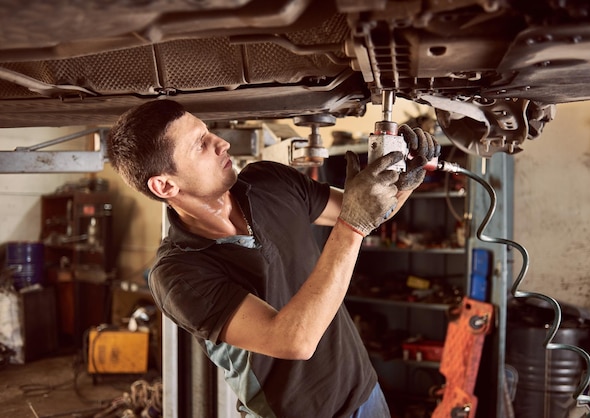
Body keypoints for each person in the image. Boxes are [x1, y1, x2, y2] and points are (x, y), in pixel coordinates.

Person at [106, 99, 438, 418]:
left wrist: (403, 177)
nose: (221, 143)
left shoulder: (270, 181)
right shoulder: (177, 274)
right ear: (165, 186)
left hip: (365, 394)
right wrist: (353, 226)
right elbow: (294, 340)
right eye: (200, 144)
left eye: (208, 132)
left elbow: (372, 209)